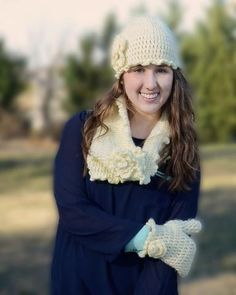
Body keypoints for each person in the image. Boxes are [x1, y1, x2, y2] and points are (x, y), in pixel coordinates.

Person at [50, 15, 202, 295]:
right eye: (139, 69)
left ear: (174, 75)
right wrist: (146, 239)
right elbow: (73, 212)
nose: (151, 83)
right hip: (78, 282)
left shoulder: (182, 148)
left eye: (161, 69)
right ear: (122, 74)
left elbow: (176, 240)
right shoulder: (83, 130)